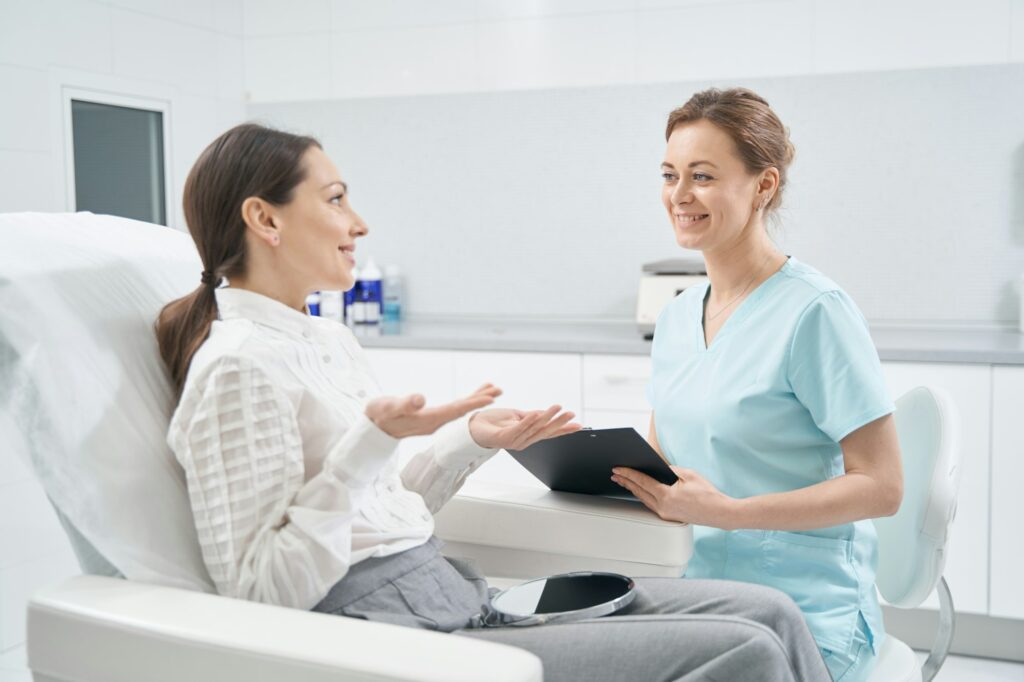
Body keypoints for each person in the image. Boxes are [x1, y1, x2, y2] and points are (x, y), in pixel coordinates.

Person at [156, 123, 830, 682]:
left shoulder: (324, 343)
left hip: (451, 596)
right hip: (385, 638)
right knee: (747, 652)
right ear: (264, 218)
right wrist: (369, 443)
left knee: (770, 613)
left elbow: (382, 518)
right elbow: (260, 596)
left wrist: (471, 438)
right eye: (335, 200)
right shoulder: (237, 368)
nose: (357, 222)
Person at [610, 88, 903, 682]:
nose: (680, 196)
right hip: (698, 593)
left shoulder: (815, 312)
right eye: (670, 175)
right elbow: (666, 461)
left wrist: (734, 513)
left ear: (763, 186)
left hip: (803, 613)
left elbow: (883, 486)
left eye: (703, 176)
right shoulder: (676, 317)